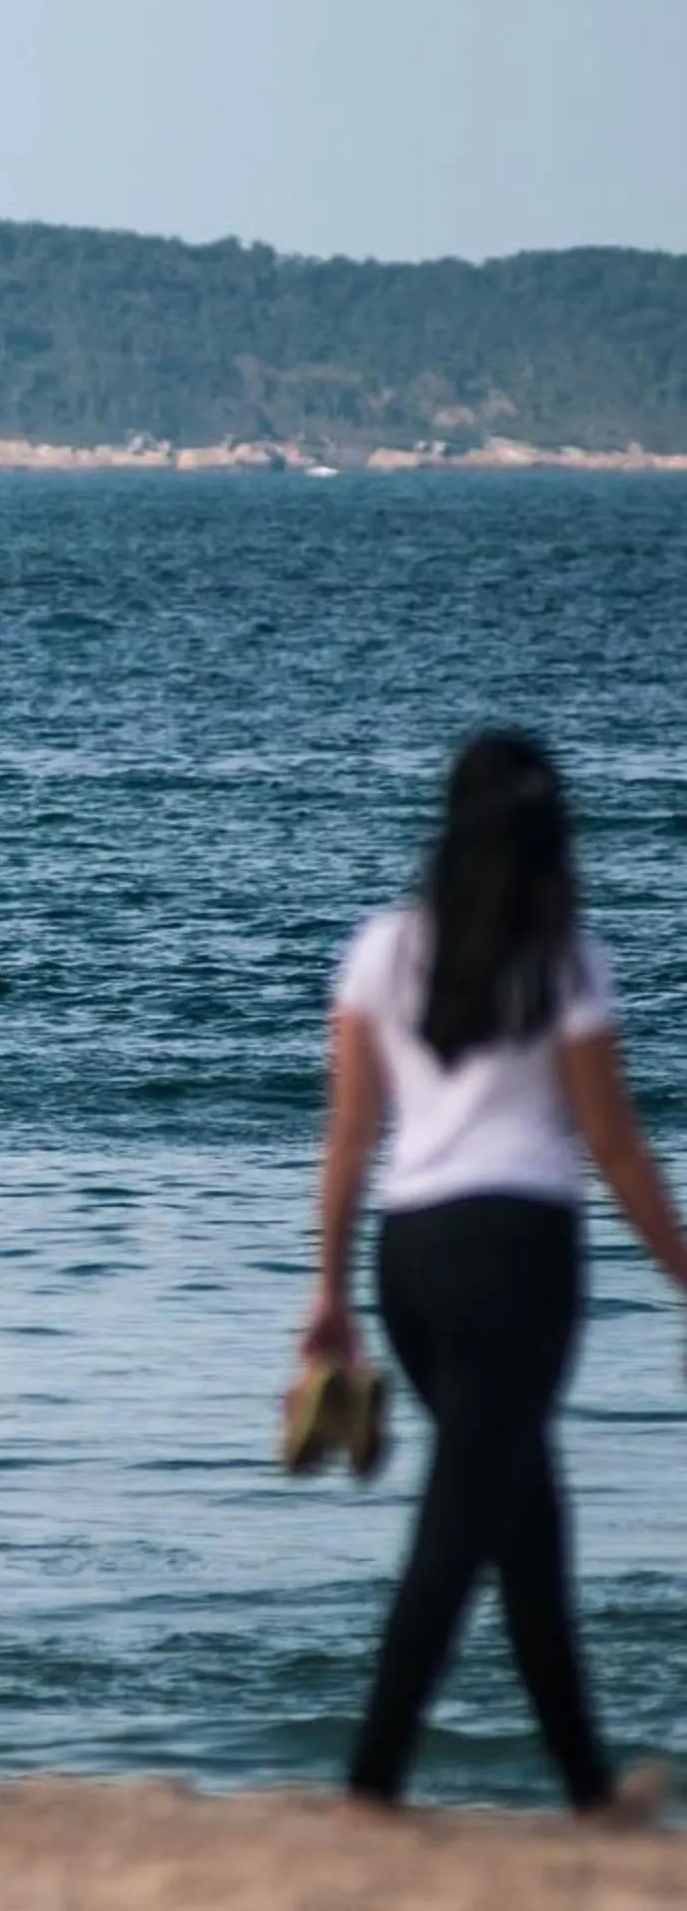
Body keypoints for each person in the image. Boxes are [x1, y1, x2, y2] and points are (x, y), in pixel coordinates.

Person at [304, 730, 687, 1817]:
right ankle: (371, 1786)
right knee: (465, 1517)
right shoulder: (566, 953)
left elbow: (348, 1134)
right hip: (520, 1259)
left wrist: (329, 1290)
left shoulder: (382, 947)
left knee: (524, 1517)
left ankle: (588, 1789)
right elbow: (614, 1143)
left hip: (411, 1258)